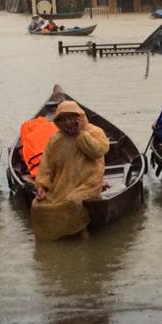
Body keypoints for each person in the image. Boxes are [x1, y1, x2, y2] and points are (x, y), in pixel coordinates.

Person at [31, 100, 110, 240]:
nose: (67, 123)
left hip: (89, 183)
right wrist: (42, 186)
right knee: (37, 205)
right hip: (61, 185)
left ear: (80, 118)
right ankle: (52, 235)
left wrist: (80, 134)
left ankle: (82, 230)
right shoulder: (55, 139)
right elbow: (46, 166)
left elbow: (98, 151)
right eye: (63, 120)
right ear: (57, 122)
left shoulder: (94, 132)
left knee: (73, 201)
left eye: (71, 118)